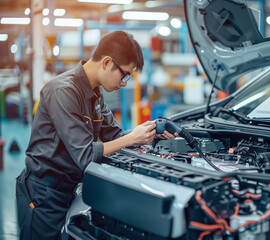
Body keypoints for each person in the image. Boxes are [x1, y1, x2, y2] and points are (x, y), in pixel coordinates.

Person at [16, 31, 177, 240]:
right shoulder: (63, 92)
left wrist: (150, 133)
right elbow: (85, 155)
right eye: (125, 74)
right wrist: (131, 138)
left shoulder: (96, 95)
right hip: (42, 195)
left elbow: (116, 136)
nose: (124, 83)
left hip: (68, 190)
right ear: (107, 62)